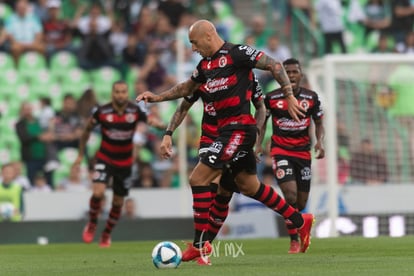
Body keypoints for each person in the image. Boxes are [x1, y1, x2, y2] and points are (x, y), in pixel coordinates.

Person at [136, 20, 313, 265]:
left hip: (239, 129)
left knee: (198, 179)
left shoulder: (237, 54)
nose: (194, 48)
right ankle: (299, 220)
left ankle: (199, 245)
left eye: (195, 43)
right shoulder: (205, 66)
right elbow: (186, 88)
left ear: (209, 35)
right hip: (223, 134)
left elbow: (274, 64)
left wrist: (289, 95)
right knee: (249, 186)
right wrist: (157, 98)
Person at [160, 74, 266, 263]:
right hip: (210, 140)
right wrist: (168, 133)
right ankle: (202, 249)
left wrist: (256, 138)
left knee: (224, 195)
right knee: (210, 186)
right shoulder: (204, 75)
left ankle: (203, 246)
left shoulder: (244, 76)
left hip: (236, 138)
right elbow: (184, 106)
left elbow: (260, 107)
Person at [73, 80, 165, 248]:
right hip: (105, 157)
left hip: (125, 162)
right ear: (112, 93)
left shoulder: (134, 110)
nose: (120, 95)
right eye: (117, 92)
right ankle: (92, 223)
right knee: (98, 192)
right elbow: (86, 130)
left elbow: (149, 119)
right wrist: (80, 154)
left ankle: (106, 233)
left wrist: (159, 124)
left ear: (127, 93)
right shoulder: (102, 111)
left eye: (123, 92)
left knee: (117, 202)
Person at [262, 58, 325, 254]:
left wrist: (320, 141)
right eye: (287, 72)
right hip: (280, 150)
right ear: (281, 76)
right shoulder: (271, 98)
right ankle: (294, 240)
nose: (291, 76)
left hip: (303, 153)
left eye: (294, 72)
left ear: (301, 75)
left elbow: (319, 122)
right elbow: (261, 121)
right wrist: (258, 145)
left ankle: (302, 229)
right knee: (289, 196)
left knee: (301, 202)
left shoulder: (311, 98)